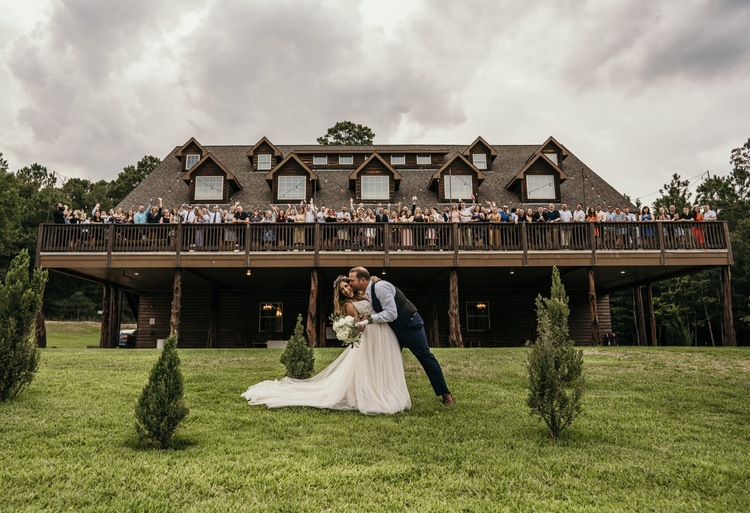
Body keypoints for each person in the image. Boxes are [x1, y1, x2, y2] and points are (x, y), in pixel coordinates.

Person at [241, 276, 411, 415]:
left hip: (383, 332)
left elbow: (376, 297)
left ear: (351, 283)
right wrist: (356, 326)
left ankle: (385, 389)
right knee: (371, 366)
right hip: (371, 335)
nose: (346, 290)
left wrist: (375, 279)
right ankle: (372, 393)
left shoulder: (363, 294)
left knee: (382, 364)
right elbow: (359, 325)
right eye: (342, 289)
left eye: (346, 286)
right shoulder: (350, 305)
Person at [348, 266, 454, 405]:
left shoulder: (381, 288)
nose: (350, 283)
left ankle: (445, 393)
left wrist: (368, 321)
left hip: (410, 326)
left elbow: (391, 314)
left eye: (351, 280)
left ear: (362, 280)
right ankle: (385, 394)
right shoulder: (367, 292)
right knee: (385, 361)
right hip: (392, 331)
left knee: (425, 357)